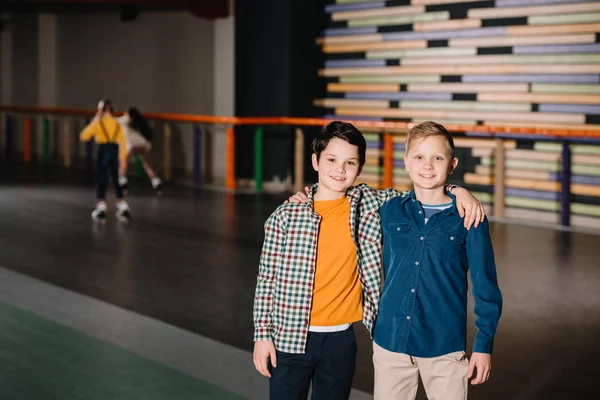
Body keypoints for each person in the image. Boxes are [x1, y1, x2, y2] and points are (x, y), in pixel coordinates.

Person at [253, 121, 484, 400]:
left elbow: (425, 191)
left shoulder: (370, 203)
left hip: (340, 339)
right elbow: (267, 279)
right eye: (331, 160)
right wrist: (262, 335)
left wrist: (458, 190)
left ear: (360, 168)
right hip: (289, 337)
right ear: (315, 161)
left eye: (350, 163)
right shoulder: (287, 216)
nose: (340, 169)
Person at [373, 121, 503, 399]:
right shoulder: (389, 210)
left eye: (438, 158)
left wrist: (484, 344)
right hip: (390, 343)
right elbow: (342, 194)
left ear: (452, 164)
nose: (428, 165)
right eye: (419, 157)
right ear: (406, 162)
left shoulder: (470, 217)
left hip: (444, 347)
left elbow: (486, 287)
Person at [79, 99, 131, 223]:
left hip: (103, 149)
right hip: (114, 149)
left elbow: (84, 136)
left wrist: (95, 120)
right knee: (115, 178)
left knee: (101, 178)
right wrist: (123, 158)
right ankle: (122, 204)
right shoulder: (117, 124)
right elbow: (123, 142)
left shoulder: (99, 123)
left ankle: (101, 206)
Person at [116, 106, 163, 192]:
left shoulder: (124, 120)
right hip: (143, 144)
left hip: (132, 145)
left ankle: (123, 179)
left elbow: (113, 121)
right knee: (147, 164)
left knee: (123, 160)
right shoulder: (140, 121)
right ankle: (155, 180)